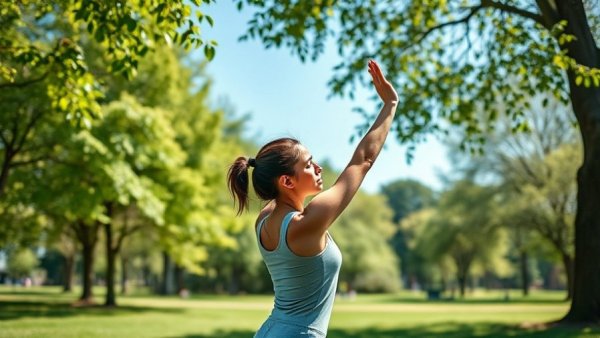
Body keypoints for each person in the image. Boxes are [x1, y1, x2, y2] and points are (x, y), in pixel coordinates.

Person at [227, 60, 398, 338]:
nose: (318, 168)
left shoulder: (265, 219)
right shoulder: (306, 223)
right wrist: (390, 104)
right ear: (286, 181)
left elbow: (276, 191)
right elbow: (363, 161)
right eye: (308, 164)